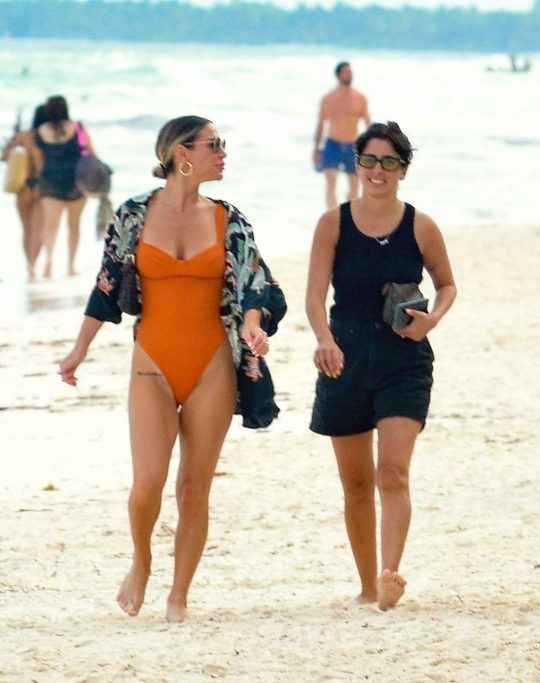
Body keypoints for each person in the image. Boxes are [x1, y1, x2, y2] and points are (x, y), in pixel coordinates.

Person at [57, 116, 285, 623]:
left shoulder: (230, 220)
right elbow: (107, 285)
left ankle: (179, 595)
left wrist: (254, 326)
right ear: (183, 153)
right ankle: (141, 562)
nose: (223, 153)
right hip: (152, 364)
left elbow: (257, 286)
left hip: (211, 366)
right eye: (214, 145)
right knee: (147, 482)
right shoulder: (134, 215)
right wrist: (79, 350)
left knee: (194, 488)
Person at [306, 121, 456, 611]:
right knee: (355, 485)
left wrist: (432, 320)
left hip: (403, 358)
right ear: (357, 165)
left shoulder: (421, 226)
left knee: (392, 472)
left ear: (403, 170)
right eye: (369, 160)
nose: (378, 170)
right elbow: (314, 297)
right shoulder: (332, 224)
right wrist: (324, 340)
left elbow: (447, 284)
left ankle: (389, 576)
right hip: (344, 359)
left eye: (389, 162)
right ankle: (367, 585)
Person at [35, 96, 94, 278]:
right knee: (74, 226)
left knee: (50, 227)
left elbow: (39, 162)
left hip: (50, 184)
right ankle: (70, 267)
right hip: (76, 184)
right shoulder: (77, 127)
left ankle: (48, 264)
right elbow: (91, 153)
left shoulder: (41, 131)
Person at [314, 61, 371, 209]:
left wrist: (371, 148)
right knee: (331, 181)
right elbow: (321, 124)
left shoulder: (360, 98)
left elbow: (368, 124)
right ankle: (332, 216)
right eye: (346, 72)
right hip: (332, 144)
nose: (349, 74)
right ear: (338, 75)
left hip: (353, 146)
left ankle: (347, 217)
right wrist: (316, 149)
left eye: (350, 71)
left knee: (354, 187)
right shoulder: (328, 98)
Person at [2, 104, 45, 279]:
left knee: (27, 229)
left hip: (23, 188)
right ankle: (33, 265)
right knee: (38, 230)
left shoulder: (22, 136)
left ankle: (30, 266)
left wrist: (13, 142)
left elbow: (4, 157)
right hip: (42, 189)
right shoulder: (49, 136)